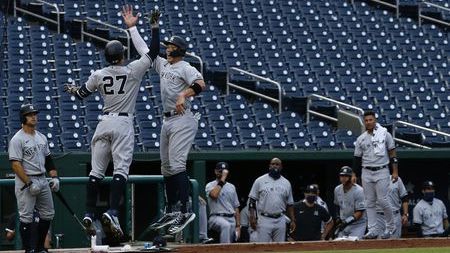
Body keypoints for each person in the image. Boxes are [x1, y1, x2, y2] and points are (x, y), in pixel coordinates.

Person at [122, 5, 205, 234]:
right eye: (166, 45)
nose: (167, 48)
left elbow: (200, 84)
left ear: (178, 49)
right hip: (168, 120)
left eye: (170, 45)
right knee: (167, 168)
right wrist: (133, 29)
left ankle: (186, 210)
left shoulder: (185, 66)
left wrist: (183, 94)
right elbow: (144, 50)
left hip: (183, 119)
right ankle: (172, 208)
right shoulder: (163, 64)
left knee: (177, 164)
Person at [64, 27, 152, 239]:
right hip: (122, 122)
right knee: (120, 170)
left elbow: (82, 94)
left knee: (96, 173)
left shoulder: (98, 74)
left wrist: (74, 90)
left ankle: (88, 213)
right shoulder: (132, 70)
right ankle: (112, 212)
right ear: (122, 56)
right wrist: (152, 28)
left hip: (103, 122)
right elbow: (152, 52)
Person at [8, 104, 60, 252]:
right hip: (26, 180)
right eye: (30, 114)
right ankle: (28, 249)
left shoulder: (41, 137)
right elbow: (15, 165)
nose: (34, 116)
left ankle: (39, 248)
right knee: (26, 217)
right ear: (23, 118)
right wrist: (29, 183)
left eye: (35, 114)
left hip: (42, 178)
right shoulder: (17, 139)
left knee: (48, 214)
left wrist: (54, 177)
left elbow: (49, 159)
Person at [353, 110, 398, 239]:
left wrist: (395, 171)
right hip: (366, 170)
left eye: (370, 120)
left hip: (382, 169)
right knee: (369, 202)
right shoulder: (361, 138)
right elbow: (356, 158)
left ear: (375, 120)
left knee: (383, 200)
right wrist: (354, 173)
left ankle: (390, 226)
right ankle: (373, 229)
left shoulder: (385, 134)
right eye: (366, 120)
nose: (368, 122)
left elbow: (393, 154)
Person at [248, 158, 295, 242]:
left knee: (279, 247)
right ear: (269, 166)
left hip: (280, 218)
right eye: (273, 164)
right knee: (263, 247)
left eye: (277, 164)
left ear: (281, 167)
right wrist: (252, 217)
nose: (275, 166)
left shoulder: (286, 183)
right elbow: (252, 200)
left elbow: (290, 204)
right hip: (264, 218)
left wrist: (292, 220)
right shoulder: (260, 180)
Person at [205, 162, 240, 243]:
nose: (221, 173)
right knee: (225, 226)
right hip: (216, 217)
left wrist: (238, 226)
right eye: (220, 171)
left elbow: (236, 207)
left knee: (231, 242)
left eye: (223, 171)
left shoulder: (231, 186)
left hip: (231, 218)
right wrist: (222, 179)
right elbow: (214, 195)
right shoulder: (210, 185)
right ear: (215, 171)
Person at [333, 166, 366, 239]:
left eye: (346, 176)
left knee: (354, 245)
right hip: (344, 224)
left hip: (357, 225)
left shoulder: (359, 191)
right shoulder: (337, 189)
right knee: (338, 245)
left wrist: (345, 222)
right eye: (342, 176)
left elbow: (359, 212)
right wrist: (338, 218)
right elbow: (337, 205)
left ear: (351, 177)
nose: (343, 178)